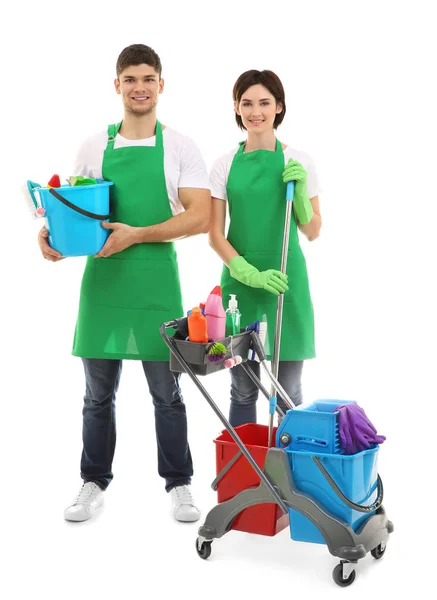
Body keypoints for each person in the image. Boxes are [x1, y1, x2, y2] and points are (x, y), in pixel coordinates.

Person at [38, 44, 211, 522]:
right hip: (105, 285)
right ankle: (92, 481)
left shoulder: (180, 147)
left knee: (168, 394)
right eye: (130, 79)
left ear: (161, 85)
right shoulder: (94, 146)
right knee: (97, 396)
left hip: (157, 287)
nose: (139, 87)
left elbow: (201, 217)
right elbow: (75, 211)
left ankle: (179, 483)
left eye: (148, 79)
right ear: (117, 85)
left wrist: (138, 234)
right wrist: (49, 235)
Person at [209, 70, 321, 427]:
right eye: (247, 103)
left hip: (287, 281)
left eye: (264, 103)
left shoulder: (299, 161)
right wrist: (248, 273)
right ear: (237, 108)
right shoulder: (224, 164)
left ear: (279, 107)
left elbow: (314, 229)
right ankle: (244, 470)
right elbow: (215, 233)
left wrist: (300, 193)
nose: (255, 111)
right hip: (240, 286)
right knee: (243, 387)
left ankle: (290, 475)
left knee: (287, 390)